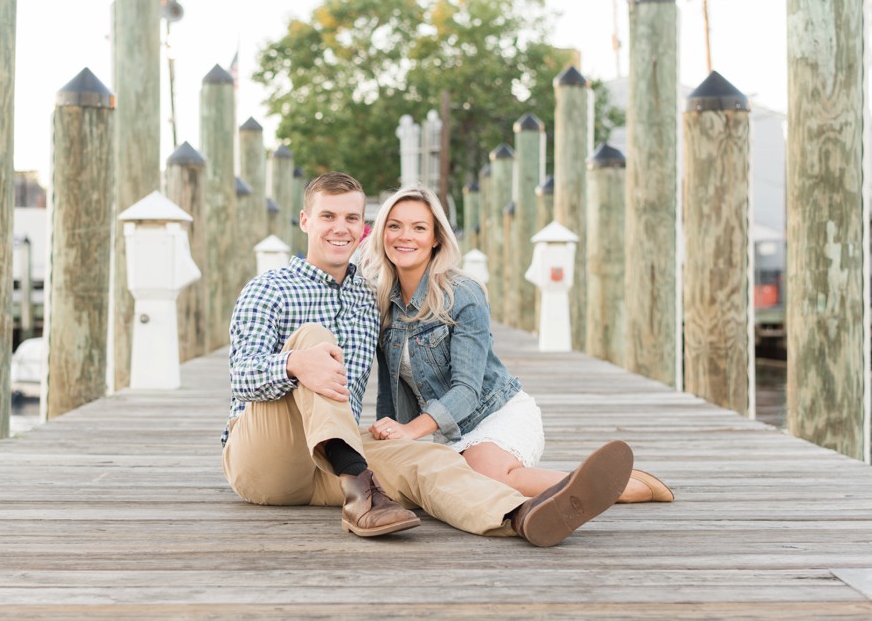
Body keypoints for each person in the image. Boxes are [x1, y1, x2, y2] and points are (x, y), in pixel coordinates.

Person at [222, 171, 635, 547]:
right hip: (265, 462)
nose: (340, 228)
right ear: (305, 221)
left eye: (351, 218)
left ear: (363, 228)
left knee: (430, 457)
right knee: (315, 339)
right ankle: (358, 479)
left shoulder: (369, 297)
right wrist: (294, 363)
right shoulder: (269, 289)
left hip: (329, 468)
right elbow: (240, 376)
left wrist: (399, 432)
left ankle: (520, 514)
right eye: (328, 216)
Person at [359, 187, 673, 504]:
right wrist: (393, 440)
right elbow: (391, 390)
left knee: (483, 477)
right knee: (435, 486)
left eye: (419, 227)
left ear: (437, 238)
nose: (404, 236)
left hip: (496, 417)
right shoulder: (384, 302)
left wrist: (411, 431)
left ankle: (624, 487)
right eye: (394, 225)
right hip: (440, 434)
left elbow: (466, 390)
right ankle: (562, 492)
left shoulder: (463, 294)